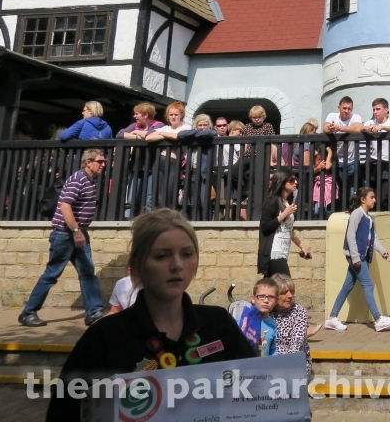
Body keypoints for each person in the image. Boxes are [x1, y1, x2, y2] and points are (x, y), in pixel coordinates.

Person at [48, 209, 256, 422]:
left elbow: (256, 392)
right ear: (137, 264)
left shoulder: (219, 323)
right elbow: (63, 412)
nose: (177, 265)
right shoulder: (104, 337)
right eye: (161, 256)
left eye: (186, 254)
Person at [19, 148, 107, 328]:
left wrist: (79, 231)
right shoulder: (79, 179)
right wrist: (76, 231)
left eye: (103, 161)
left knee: (87, 272)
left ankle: (94, 312)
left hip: (77, 233)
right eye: (100, 161)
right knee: (52, 273)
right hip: (66, 234)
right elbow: (65, 206)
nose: (103, 165)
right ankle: (28, 313)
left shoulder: (90, 180)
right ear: (88, 162)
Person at [325, 187, 390, 332]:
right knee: (368, 285)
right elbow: (350, 235)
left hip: (360, 256)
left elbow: (374, 239)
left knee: (347, 286)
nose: (374, 200)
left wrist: (384, 252)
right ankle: (378, 319)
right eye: (371, 197)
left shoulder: (369, 218)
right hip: (357, 256)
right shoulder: (357, 214)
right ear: (363, 200)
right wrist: (355, 257)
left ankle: (331, 318)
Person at [258, 167, 311, 277]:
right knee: (286, 287)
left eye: (295, 179)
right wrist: (284, 214)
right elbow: (265, 227)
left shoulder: (287, 202)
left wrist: (302, 247)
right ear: (282, 183)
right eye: (291, 180)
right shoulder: (271, 201)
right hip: (274, 253)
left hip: (284, 252)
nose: (295, 182)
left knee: (272, 288)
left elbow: (289, 230)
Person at [272, 273, 322, 378]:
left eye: (292, 291)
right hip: (271, 363)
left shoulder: (299, 311)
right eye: (284, 293)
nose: (290, 296)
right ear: (274, 295)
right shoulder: (267, 312)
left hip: (295, 364)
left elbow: (295, 346)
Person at [325, 96, 364, 205]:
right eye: (344, 108)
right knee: (339, 188)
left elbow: (357, 128)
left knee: (352, 189)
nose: (346, 111)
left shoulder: (355, 117)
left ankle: (352, 211)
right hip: (337, 159)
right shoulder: (332, 116)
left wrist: (338, 128)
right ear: (339, 108)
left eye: (349, 108)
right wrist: (332, 127)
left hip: (352, 160)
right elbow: (325, 128)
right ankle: (341, 212)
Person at [363, 98, 390, 205]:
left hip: (389, 164)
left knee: (384, 194)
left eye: (378, 109)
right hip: (374, 163)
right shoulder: (371, 122)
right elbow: (362, 128)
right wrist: (369, 128)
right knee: (372, 194)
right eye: (374, 109)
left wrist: (381, 127)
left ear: (386, 110)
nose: (375, 112)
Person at [234, 277, 279, 356]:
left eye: (271, 297)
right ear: (253, 299)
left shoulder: (273, 325)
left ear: (276, 301)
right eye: (261, 296)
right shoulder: (243, 321)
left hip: (264, 367)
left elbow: (273, 351)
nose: (266, 301)